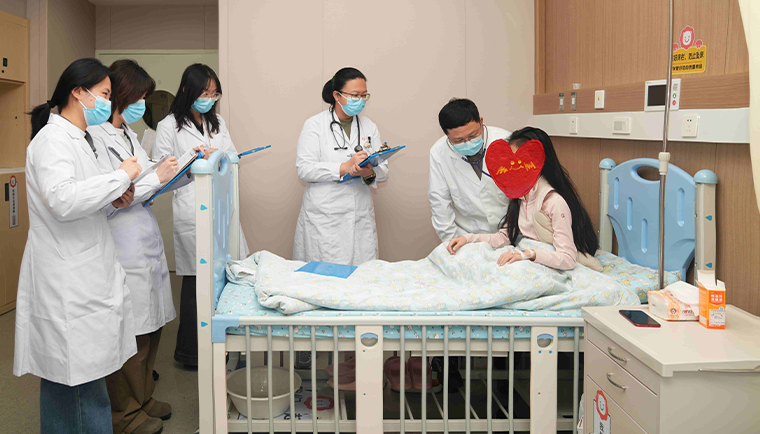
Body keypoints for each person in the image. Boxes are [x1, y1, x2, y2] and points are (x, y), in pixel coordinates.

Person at [14, 58, 141, 434]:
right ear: (78, 92)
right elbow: (63, 200)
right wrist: (120, 177)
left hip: (86, 270)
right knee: (74, 384)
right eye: (104, 94)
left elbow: (83, 193)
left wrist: (113, 194)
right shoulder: (52, 140)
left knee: (84, 381)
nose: (108, 102)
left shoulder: (82, 139)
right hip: (67, 279)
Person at [89, 59, 186, 434]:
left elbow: (146, 181)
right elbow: (113, 197)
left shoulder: (128, 134)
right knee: (130, 333)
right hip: (120, 242)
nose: (142, 105)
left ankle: (143, 399)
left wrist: (184, 168)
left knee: (151, 326)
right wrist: (154, 179)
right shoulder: (95, 137)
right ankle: (124, 414)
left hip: (143, 237)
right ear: (122, 94)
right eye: (140, 97)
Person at [154, 63, 249, 367]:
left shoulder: (216, 122)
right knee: (197, 283)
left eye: (214, 93)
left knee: (226, 277)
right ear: (187, 90)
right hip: (191, 209)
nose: (209, 98)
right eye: (204, 93)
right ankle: (191, 354)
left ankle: (226, 347)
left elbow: (233, 157)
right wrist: (194, 159)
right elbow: (161, 168)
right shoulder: (169, 125)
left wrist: (217, 156)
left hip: (221, 206)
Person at [447, 127, 600, 270]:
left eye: (519, 161)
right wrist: (468, 239)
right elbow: (504, 237)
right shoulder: (520, 196)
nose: (512, 167)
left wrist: (529, 254)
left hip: (546, 262)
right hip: (526, 256)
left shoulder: (554, 202)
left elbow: (567, 259)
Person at [293, 67, 389, 266]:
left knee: (361, 274)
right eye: (354, 95)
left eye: (364, 95)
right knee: (325, 276)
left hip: (359, 214)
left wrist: (368, 172)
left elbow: (383, 172)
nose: (360, 100)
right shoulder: (315, 125)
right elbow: (304, 168)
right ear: (337, 95)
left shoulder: (369, 126)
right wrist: (344, 167)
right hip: (325, 216)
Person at [428, 98, 511, 243]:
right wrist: (452, 241)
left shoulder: (507, 141)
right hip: (468, 236)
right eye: (458, 140)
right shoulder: (439, 153)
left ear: (481, 121)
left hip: (510, 230)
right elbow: (439, 202)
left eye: (473, 135)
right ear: (446, 135)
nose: (468, 142)